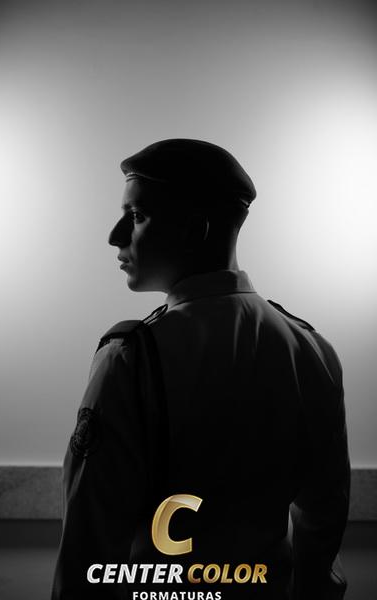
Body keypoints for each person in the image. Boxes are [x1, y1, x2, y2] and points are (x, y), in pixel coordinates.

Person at [51, 139, 350, 600]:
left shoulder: (131, 359)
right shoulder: (312, 350)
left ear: (195, 229)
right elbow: (322, 520)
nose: (115, 235)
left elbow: (88, 545)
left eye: (137, 216)